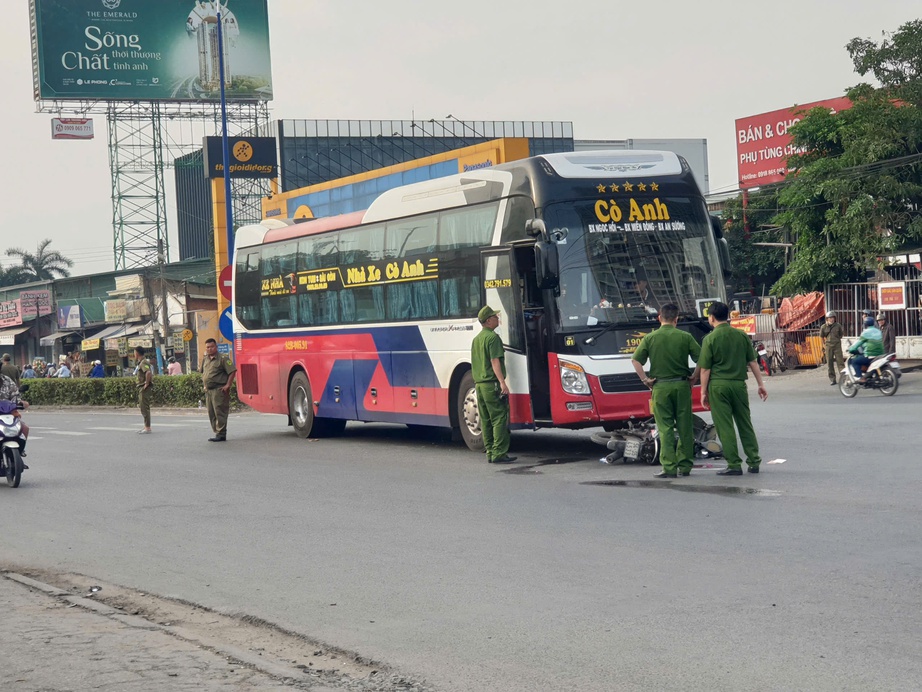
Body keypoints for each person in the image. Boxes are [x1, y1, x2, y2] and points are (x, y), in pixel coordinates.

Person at [631, 303, 701, 478]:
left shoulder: (650, 338)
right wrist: (694, 376)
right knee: (685, 426)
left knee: (665, 428)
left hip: (660, 387)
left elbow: (636, 361)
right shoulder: (685, 337)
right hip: (682, 386)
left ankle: (669, 467)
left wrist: (645, 379)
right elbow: (702, 359)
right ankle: (685, 466)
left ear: (659, 318)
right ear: (677, 319)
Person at [699, 301, 768, 476]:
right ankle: (753, 461)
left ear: (711, 317)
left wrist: (703, 392)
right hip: (739, 385)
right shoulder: (741, 335)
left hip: (719, 386)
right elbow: (753, 361)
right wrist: (761, 384)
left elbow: (705, 369)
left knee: (725, 426)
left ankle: (734, 464)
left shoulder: (709, 339)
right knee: (745, 423)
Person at [471, 306, 515, 464]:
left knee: (486, 419)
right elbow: (495, 361)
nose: (498, 318)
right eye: (495, 316)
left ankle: (489, 451)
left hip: (479, 385)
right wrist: (502, 383)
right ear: (488, 321)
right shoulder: (493, 338)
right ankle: (499, 453)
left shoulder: (477, 339)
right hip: (491, 384)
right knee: (499, 417)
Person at [200, 338, 236, 442]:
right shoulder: (205, 359)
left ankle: (221, 433)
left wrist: (228, 385)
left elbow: (232, 371)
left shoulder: (223, 359)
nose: (209, 349)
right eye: (207, 347)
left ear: (216, 347)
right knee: (211, 412)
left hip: (218, 390)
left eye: (211, 347)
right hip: (209, 391)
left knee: (220, 411)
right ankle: (217, 432)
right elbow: (204, 373)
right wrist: (205, 385)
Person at [0, 373, 30, 460]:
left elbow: (15, 396)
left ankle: (20, 451)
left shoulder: (6, 380)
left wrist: (21, 403)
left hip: (7, 413)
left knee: (24, 428)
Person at [848, 317, 883, 383]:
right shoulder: (879, 331)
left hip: (870, 355)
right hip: (880, 355)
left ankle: (860, 377)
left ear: (865, 324)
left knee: (854, 361)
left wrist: (851, 349)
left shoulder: (865, 332)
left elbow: (858, 343)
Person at [819, 310, 845, 386]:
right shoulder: (823, 327)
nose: (832, 319)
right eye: (830, 318)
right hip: (828, 346)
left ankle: (843, 378)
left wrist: (836, 340)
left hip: (837, 345)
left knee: (840, 362)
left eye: (833, 317)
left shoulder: (838, 325)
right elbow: (821, 336)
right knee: (829, 363)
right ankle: (832, 379)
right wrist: (824, 345)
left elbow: (841, 334)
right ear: (827, 319)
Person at [134, 346, 153, 434]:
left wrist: (146, 383)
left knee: (144, 407)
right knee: (143, 407)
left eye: (134, 352)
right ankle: (146, 426)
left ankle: (147, 427)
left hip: (144, 387)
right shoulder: (140, 362)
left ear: (137, 353)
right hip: (141, 386)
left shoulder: (143, 362)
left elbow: (148, 372)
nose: (134, 354)